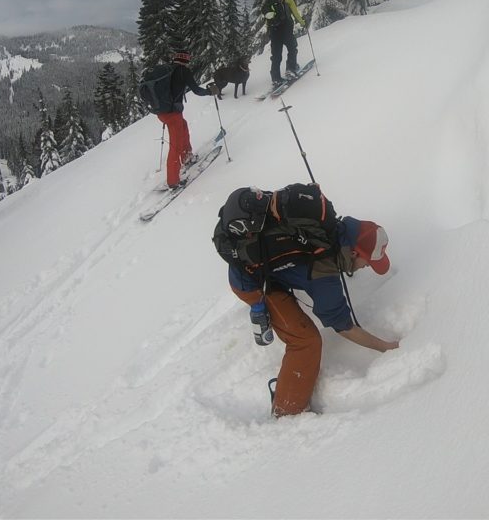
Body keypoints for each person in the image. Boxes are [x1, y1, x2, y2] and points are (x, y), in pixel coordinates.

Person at [213, 184, 399, 416]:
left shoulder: (326, 226)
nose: (365, 268)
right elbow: (344, 326)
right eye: (367, 263)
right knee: (306, 342)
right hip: (252, 284)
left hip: (267, 270)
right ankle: (287, 411)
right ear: (353, 253)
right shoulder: (324, 270)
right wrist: (387, 347)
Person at [158, 51, 212, 189]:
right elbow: (196, 90)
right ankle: (173, 181)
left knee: (183, 126)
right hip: (172, 113)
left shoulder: (168, 70)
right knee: (175, 146)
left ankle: (187, 156)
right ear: (186, 59)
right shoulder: (183, 71)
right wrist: (210, 91)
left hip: (163, 112)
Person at [263, 0, 305, 85]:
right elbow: (296, 14)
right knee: (292, 49)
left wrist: (270, 31)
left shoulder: (271, 3)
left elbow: (267, 21)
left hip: (274, 32)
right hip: (286, 30)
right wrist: (303, 23)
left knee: (276, 55)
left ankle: (275, 78)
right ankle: (290, 68)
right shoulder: (289, 1)